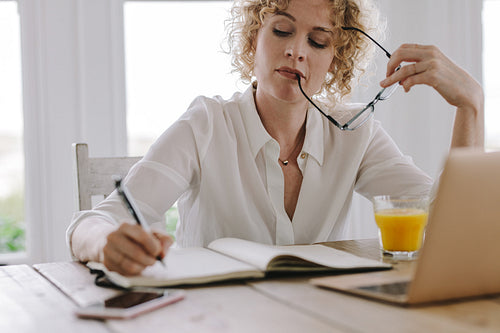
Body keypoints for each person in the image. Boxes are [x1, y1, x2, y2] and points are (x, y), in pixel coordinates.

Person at [67, 0, 483, 276]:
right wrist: (106, 243)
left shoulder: (357, 132)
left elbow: (454, 227)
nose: (297, 52)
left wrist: (471, 107)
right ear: (253, 42)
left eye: (318, 41)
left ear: (334, 61)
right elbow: (90, 224)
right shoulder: (205, 124)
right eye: (282, 32)